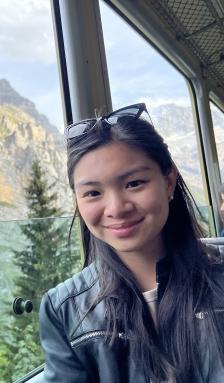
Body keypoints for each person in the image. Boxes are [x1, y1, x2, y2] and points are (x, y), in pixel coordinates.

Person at [39, 103, 224, 383]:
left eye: (134, 183)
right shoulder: (63, 310)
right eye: (92, 193)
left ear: (169, 181)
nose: (116, 208)